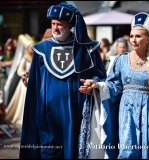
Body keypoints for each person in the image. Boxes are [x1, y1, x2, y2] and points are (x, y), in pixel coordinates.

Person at [80, 12, 149, 159]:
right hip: (126, 113)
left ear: (148, 39)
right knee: (128, 150)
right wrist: (97, 85)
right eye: (132, 36)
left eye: (138, 36)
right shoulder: (121, 60)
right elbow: (114, 86)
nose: (133, 40)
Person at [19, 2, 106, 159]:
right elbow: (34, 86)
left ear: (70, 24)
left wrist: (93, 84)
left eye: (59, 24)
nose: (55, 28)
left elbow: (101, 77)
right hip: (47, 115)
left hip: (77, 114)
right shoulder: (41, 49)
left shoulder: (88, 48)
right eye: (53, 24)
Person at [5, 34, 35, 128]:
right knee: (24, 100)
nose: (32, 49)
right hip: (25, 83)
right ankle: (23, 117)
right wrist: (25, 74)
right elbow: (20, 70)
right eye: (31, 47)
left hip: (33, 81)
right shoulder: (25, 58)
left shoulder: (36, 57)